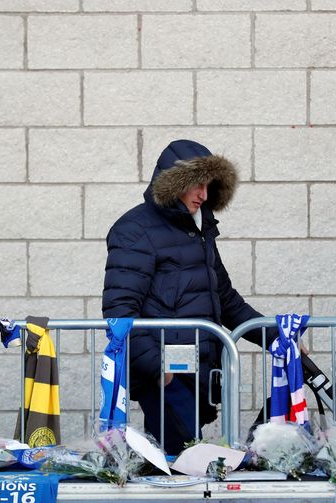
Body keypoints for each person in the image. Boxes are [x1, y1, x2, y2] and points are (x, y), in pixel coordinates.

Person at [102, 139, 276, 454]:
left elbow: (226, 299)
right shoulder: (135, 230)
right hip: (164, 374)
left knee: (181, 463)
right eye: (197, 185)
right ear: (175, 183)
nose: (204, 195)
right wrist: (157, 369)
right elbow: (119, 310)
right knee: (185, 459)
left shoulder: (199, 230)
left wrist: (279, 337)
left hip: (198, 371)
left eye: (208, 186)